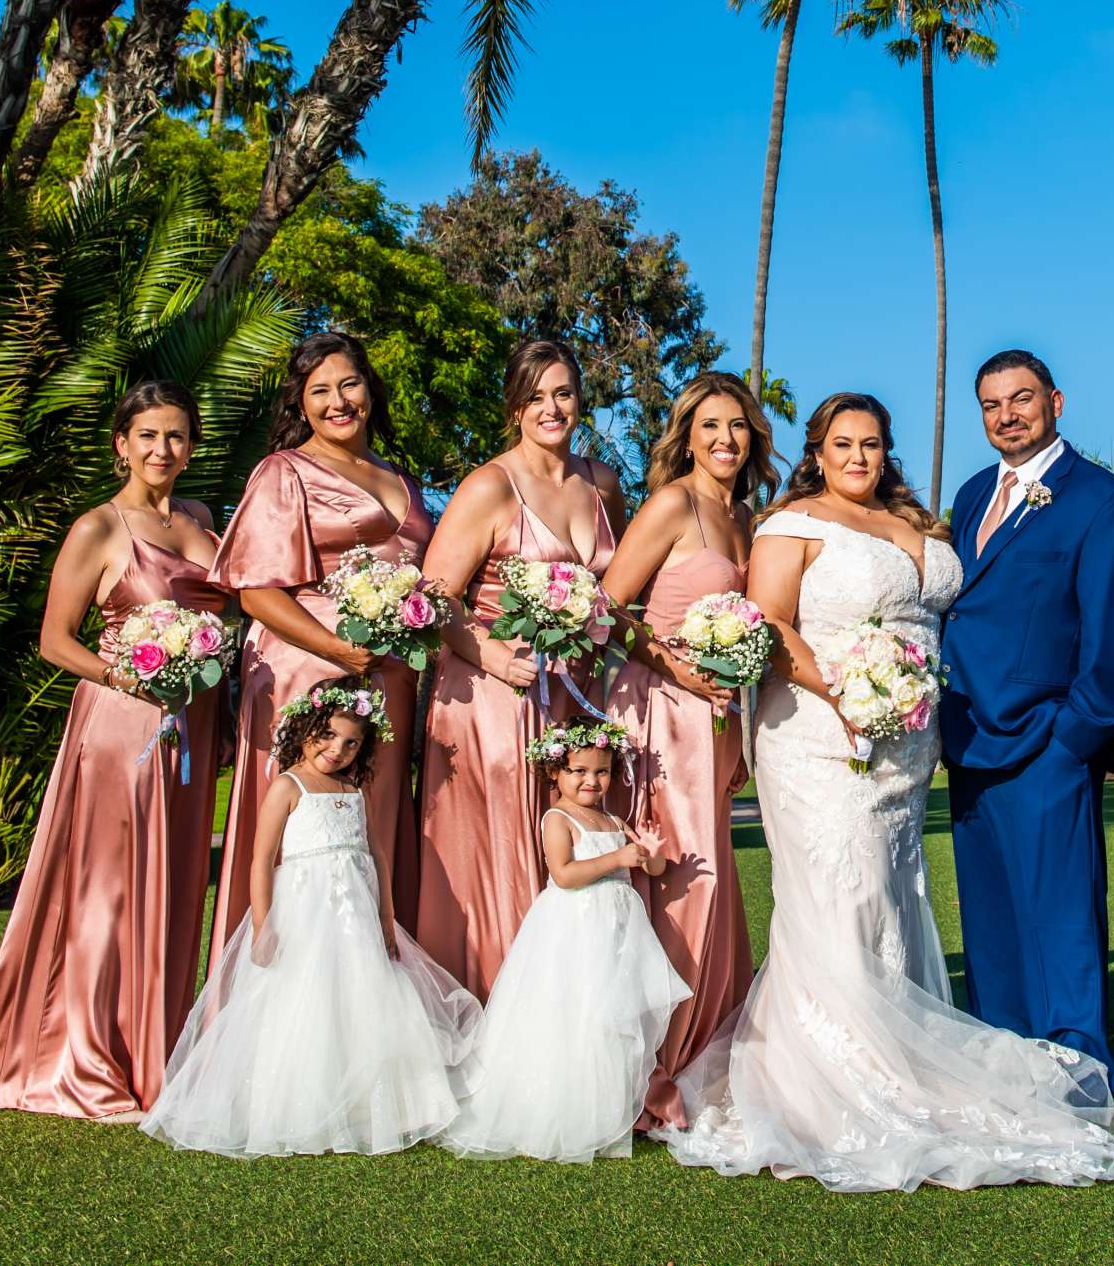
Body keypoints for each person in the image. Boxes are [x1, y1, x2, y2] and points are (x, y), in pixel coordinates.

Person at [658, 393, 1114, 1192]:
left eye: (873, 443)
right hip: (822, 735)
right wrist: (846, 692)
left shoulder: (922, 521)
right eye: (843, 443)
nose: (859, 456)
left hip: (908, 746)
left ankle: (901, 1054)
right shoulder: (792, 525)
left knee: (889, 896)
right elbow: (772, 625)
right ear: (817, 451)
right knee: (839, 901)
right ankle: (831, 1084)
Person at [0, 382, 227, 1120]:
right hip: (124, 729)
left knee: (172, 884)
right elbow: (54, 639)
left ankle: (154, 1054)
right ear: (121, 443)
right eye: (146, 435)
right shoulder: (99, 528)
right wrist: (128, 675)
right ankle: (83, 1058)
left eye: (175, 436)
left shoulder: (201, 518)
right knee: (109, 888)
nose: (161, 450)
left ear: (192, 445)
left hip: (192, 730)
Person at [140, 683, 478, 1157]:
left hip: (357, 914)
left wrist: (386, 917)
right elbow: (261, 860)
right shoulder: (288, 786)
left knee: (360, 997)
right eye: (328, 736)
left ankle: (365, 1107)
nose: (336, 750)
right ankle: (295, 1106)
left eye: (351, 743)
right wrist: (263, 926)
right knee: (305, 999)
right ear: (304, 730)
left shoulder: (352, 789)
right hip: (305, 909)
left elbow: (375, 855)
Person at [940, 351, 1114, 1078]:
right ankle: (1003, 1070)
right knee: (992, 924)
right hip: (969, 744)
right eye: (993, 403)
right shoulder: (970, 495)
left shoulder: (1098, 498)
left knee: (1061, 920)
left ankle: (1077, 1070)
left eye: (1022, 398)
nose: (1008, 414)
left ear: (1055, 401)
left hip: (1048, 745)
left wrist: (1075, 739)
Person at [206, 331, 433, 963]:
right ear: (300, 404)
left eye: (350, 384)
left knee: (373, 830)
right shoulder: (284, 472)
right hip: (306, 670)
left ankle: (376, 985)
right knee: (308, 834)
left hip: (389, 677)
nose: (339, 402)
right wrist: (341, 652)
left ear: (371, 389)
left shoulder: (401, 480)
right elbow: (255, 592)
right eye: (320, 391)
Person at [420, 338, 627, 996]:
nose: (551, 407)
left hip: (575, 698)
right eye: (536, 395)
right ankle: (495, 1010)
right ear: (514, 406)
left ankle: (571, 1018)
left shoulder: (601, 483)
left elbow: (616, 589)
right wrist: (488, 653)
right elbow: (431, 597)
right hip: (493, 700)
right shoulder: (490, 484)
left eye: (563, 392)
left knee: (571, 855)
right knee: (505, 859)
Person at [600, 371, 778, 1130]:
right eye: (709, 426)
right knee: (678, 879)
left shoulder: (747, 517)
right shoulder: (672, 504)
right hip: (663, 713)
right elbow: (607, 607)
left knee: (714, 880)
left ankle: (707, 1042)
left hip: (719, 721)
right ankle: (657, 1064)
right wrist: (675, 666)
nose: (724, 440)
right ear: (686, 434)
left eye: (737, 426)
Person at [442, 727, 690, 1164]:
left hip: (617, 931)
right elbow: (564, 874)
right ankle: (556, 1108)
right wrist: (617, 859)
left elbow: (650, 867)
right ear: (555, 771)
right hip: (573, 928)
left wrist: (650, 855)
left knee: (607, 1015)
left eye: (603, 772)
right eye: (578, 771)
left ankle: (601, 1109)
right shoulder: (558, 819)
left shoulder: (614, 821)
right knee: (571, 1009)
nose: (591, 781)